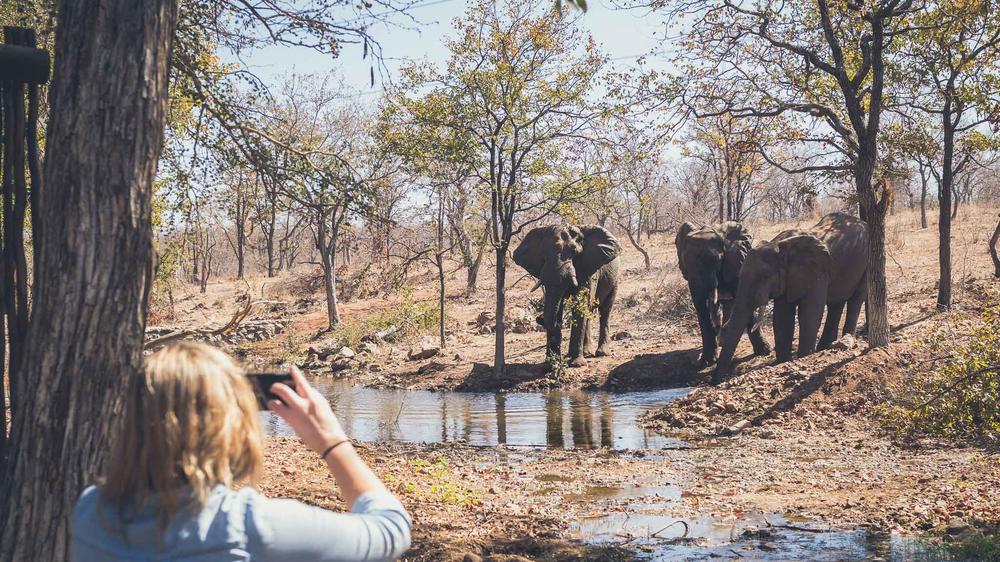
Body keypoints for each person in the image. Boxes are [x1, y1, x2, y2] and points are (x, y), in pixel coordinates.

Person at [71, 342, 411, 561]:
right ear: (230, 424)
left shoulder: (90, 515)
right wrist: (332, 441)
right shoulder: (251, 528)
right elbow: (391, 529)